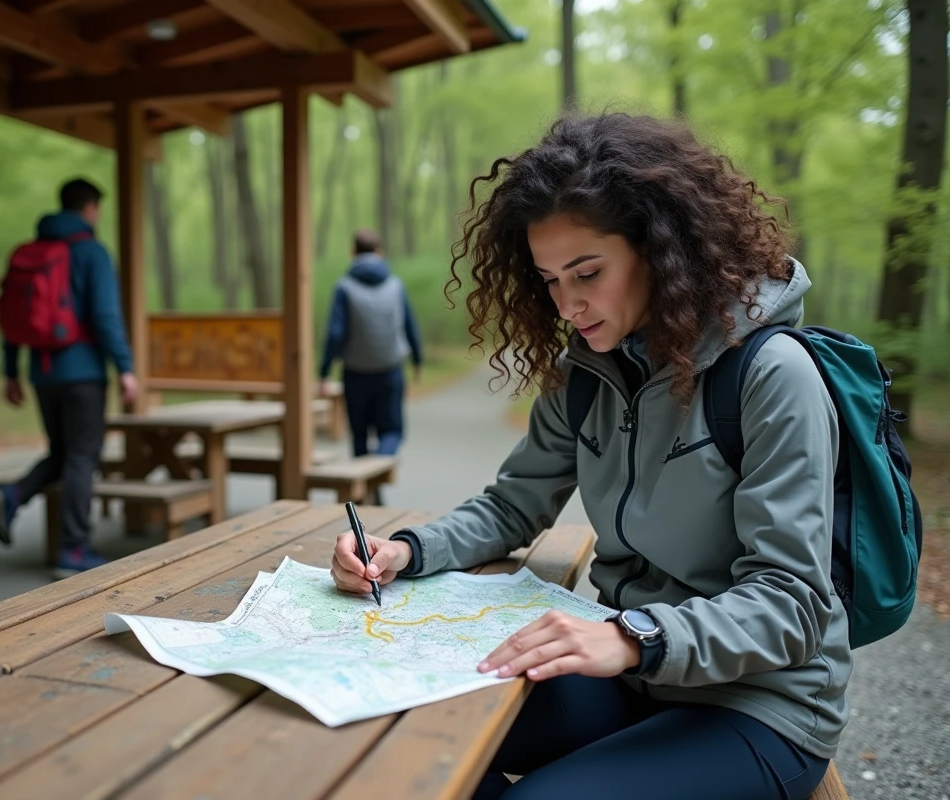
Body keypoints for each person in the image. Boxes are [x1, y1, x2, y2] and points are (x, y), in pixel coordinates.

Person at [330, 114, 846, 800]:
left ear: (662, 249)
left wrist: (635, 635)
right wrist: (404, 550)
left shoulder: (771, 374)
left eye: (588, 272)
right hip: (633, 676)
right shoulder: (588, 373)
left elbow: (794, 603)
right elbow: (513, 504)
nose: (567, 304)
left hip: (757, 704)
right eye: (549, 280)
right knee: (401, 738)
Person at [0, 178, 140, 578]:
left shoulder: (34, 255)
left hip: (42, 373)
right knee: (82, 458)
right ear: (90, 208)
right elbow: (106, 316)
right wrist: (124, 367)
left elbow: (11, 317)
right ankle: (72, 550)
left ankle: (13, 495)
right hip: (84, 373)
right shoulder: (91, 252)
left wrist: (10, 371)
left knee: (63, 452)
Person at [319, 229, 424, 458]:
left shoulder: (343, 287)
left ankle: (365, 486)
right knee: (392, 432)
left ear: (353, 252)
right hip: (390, 371)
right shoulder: (396, 285)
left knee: (359, 435)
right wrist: (417, 360)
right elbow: (409, 326)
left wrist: (324, 372)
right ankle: (375, 474)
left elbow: (335, 334)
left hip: (355, 373)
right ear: (379, 253)